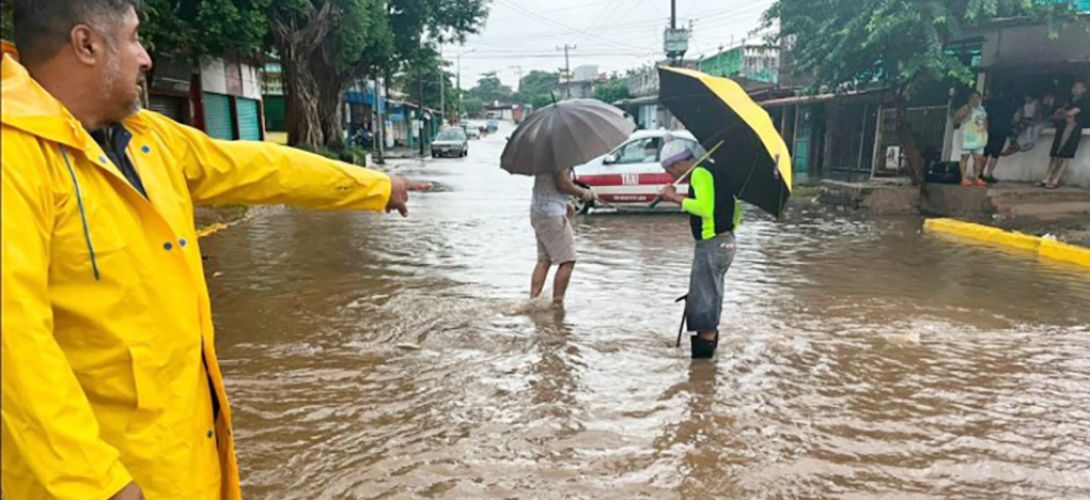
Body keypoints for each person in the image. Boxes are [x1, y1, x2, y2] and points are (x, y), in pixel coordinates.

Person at [1, 1, 429, 499]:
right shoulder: (16, 155)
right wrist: (95, 481)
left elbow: (260, 167)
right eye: (135, 38)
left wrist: (374, 186)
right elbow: (14, 344)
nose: (145, 59)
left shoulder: (144, 139)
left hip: (183, 458)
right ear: (87, 44)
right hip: (99, 479)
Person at [657, 147, 742, 359]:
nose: (672, 176)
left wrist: (674, 198)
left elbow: (705, 208)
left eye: (670, 171)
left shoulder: (699, 172)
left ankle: (701, 366)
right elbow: (736, 208)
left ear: (677, 164)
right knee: (711, 296)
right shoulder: (715, 170)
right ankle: (707, 370)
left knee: (704, 301)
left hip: (712, 243)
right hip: (726, 241)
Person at [530, 169, 594, 306]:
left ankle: (533, 302)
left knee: (544, 260)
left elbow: (548, 185)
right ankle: (557, 305)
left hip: (538, 210)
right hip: (552, 214)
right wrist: (582, 192)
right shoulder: (561, 156)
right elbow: (563, 183)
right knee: (568, 260)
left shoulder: (544, 154)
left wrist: (564, 204)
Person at [1040, 81, 1088, 189]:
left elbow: (1070, 113)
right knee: (1055, 154)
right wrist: (1064, 113)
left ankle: (1056, 179)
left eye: (1079, 88)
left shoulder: (1084, 101)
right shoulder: (1069, 100)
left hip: (1073, 129)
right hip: (1062, 128)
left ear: (1084, 90)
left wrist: (1064, 113)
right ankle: (1047, 177)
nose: (1075, 90)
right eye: (1074, 87)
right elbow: (1058, 113)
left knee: (1065, 155)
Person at [980, 89, 1019, 183]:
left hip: (990, 130)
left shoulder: (991, 104)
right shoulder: (1010, 106)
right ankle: (989, 174)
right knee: (995, 155)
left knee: (986, 153)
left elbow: (984, 117)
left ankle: (980, 173)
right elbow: (1016, 119)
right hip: (1002, 131)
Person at [953, 91, 989, 187]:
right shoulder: (965, 108)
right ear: (970, 98)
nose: (976, 100)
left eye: (978, 97)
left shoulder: (982, 110)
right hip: (968, 136)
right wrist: (961, 118)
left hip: (979, 137)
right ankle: (963, 178)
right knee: (965, 157)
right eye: (973, 97)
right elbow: (956, 119)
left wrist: (985, 133)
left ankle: (977, 177)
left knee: (979, 158)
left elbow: (985, 121)